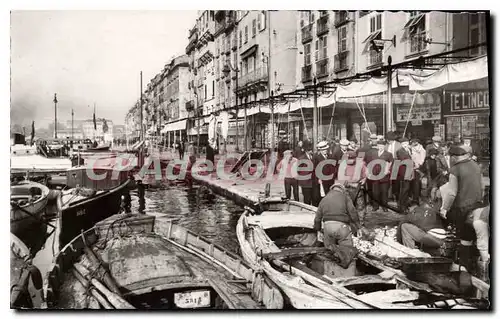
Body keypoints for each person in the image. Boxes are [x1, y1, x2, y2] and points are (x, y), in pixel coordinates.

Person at [439, 145, 484, 273]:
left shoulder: (455, 169)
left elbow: (452, 192)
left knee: (464, 238)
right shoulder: (475, 165)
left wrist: (444, 208)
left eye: (450, 157)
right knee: (474, 236)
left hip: (462, 208)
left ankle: (464, 268)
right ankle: (476, 264)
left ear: (453, 157)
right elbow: (482, 187)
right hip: (477, 206)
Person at [313, 182, 361, 276]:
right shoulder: (345, 197)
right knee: (347, 252)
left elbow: (318, 217)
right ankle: (347, 275)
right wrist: (358, 227)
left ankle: (331, 275)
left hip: (327, 226)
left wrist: (318, 230)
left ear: (332, 189)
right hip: (342, 227)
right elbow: (353, 212)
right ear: (342, 190)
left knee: (329, 252)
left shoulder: (324, 199)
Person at [336, 151, 367, 225]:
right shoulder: (343, 164)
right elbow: (341, 178)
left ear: (355, 158)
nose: (349, 160)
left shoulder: (361, 163)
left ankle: (361, 223)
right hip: (346, 189)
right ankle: (347, 223)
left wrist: (364, 179)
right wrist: (350, 183)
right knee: (347, 207)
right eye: (347, 159)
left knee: (360, 207)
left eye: (351, 159)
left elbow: (366, 174)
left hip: (358, 189)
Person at [367, 140, 393, 212]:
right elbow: (370, 163)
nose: (380, 147)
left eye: (382, 146)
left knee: (384, 191)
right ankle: (375, 206)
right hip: (375, 175)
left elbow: (391, 163)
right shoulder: (373, 153)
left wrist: (388, 170)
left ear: (384, 146)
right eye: (379, 146)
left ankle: (385, 206)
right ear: (377, 146)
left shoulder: (389, 154)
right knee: (375, 192)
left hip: (384, 176)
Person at [312, 141, 333, 206]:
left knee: (329, 194)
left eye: (326, 149)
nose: (325, 151)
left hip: (329, 179)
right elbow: (314, 169)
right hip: (321, 179)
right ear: (320, 150)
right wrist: (318, 179)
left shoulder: (330, 156)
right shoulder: (316, 157)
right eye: (323, 150)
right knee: (321, 195)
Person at [396, 137, 413, 214]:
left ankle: (404, 205)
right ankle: (401, 206)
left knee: (407, 189)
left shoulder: (408, 150)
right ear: (401, 144)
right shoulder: (400, 151)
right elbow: (405, 161)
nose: (406, 144)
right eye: (404, 143)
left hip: (408, 171)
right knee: (404, 189)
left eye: (406, 143)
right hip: (404, 172)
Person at [410, 138, 426, 205]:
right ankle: (413, 197)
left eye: (413, 142)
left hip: (417, 168)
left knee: (416, 183)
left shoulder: (422, 150)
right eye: (412, 142)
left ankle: (416, 199)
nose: (412, 143)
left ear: (417, 142)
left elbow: (422, 160)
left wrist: (417, 165)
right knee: (412, 183)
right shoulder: (411, 148)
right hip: (411, 167)